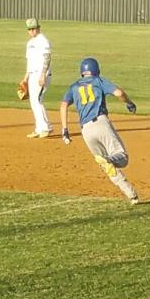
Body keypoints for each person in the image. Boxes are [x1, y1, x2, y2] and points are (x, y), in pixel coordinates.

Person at [60, 56, 139, 204]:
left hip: (86, 131)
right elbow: (119, 93)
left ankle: (131, 195)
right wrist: (129, 103)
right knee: (121, 157)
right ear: (96, 70)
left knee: (106, 166)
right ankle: (109, 159)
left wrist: (65, 130)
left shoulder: (74, 86)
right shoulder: (98, 81)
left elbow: (64, 105)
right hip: (101, 123)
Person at [22, 17, 53, 138]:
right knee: (33, 101)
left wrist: (43, 75)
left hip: (42, 75)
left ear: (38, 28)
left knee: (38, 100)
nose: (32, 31)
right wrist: (25, 78)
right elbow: (30, 62)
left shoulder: (43, 40)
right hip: (32, 75)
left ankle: (46, 127)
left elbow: (47, 58)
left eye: (33, 28)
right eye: (29, 29)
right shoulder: (29, 43)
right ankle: (39, 128)